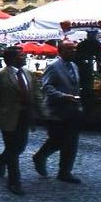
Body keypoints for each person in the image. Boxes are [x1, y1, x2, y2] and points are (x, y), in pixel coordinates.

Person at [0, 46, 43, 195]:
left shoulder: (28, 73)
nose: (24, 57)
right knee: (13, 149)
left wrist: (42, 111)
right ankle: (14, 182)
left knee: (21, 147)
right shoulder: (1, 74)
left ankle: (2, 159)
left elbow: (36, 93)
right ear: (12, 58)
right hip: (7, 116)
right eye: (21, 55)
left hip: (25, 116)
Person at [32, 41, 84, 184]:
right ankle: (40, 156)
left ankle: (64, 172)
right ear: (61, 51)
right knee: (58, 139)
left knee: (72, 141)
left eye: (74, 48)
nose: (73, 51)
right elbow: (46, 87)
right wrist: (62, 96)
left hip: (72, 110)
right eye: (69, 49)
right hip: (56, 110)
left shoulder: (74, 66)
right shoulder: (53, 66)